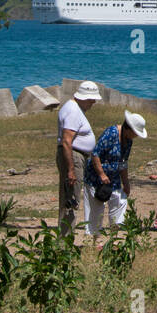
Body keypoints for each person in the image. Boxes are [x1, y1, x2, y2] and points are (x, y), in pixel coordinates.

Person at [85, 109, 147, 237]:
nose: (135, 136)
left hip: (114, 178)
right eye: (135, 133)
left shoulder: (128, 141)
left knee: (120, 200)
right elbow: (95, 154)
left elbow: (123, 162)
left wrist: (126, 182)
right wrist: (101, 174)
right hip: (96, 177)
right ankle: (94, 238)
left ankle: (113, 235)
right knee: (97, 209)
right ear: (128, 128)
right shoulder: (111, 133)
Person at [56, 81, 101, 236]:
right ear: (83, 97)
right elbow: (67, 140)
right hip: (74, 157)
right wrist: (70, 170)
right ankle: (65, 241)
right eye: (91, 99)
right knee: (71, 199)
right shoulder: (73, 111)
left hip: (77, 156)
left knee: (72, 197)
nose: (93, 102)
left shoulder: (73, 108)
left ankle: (66, 238)